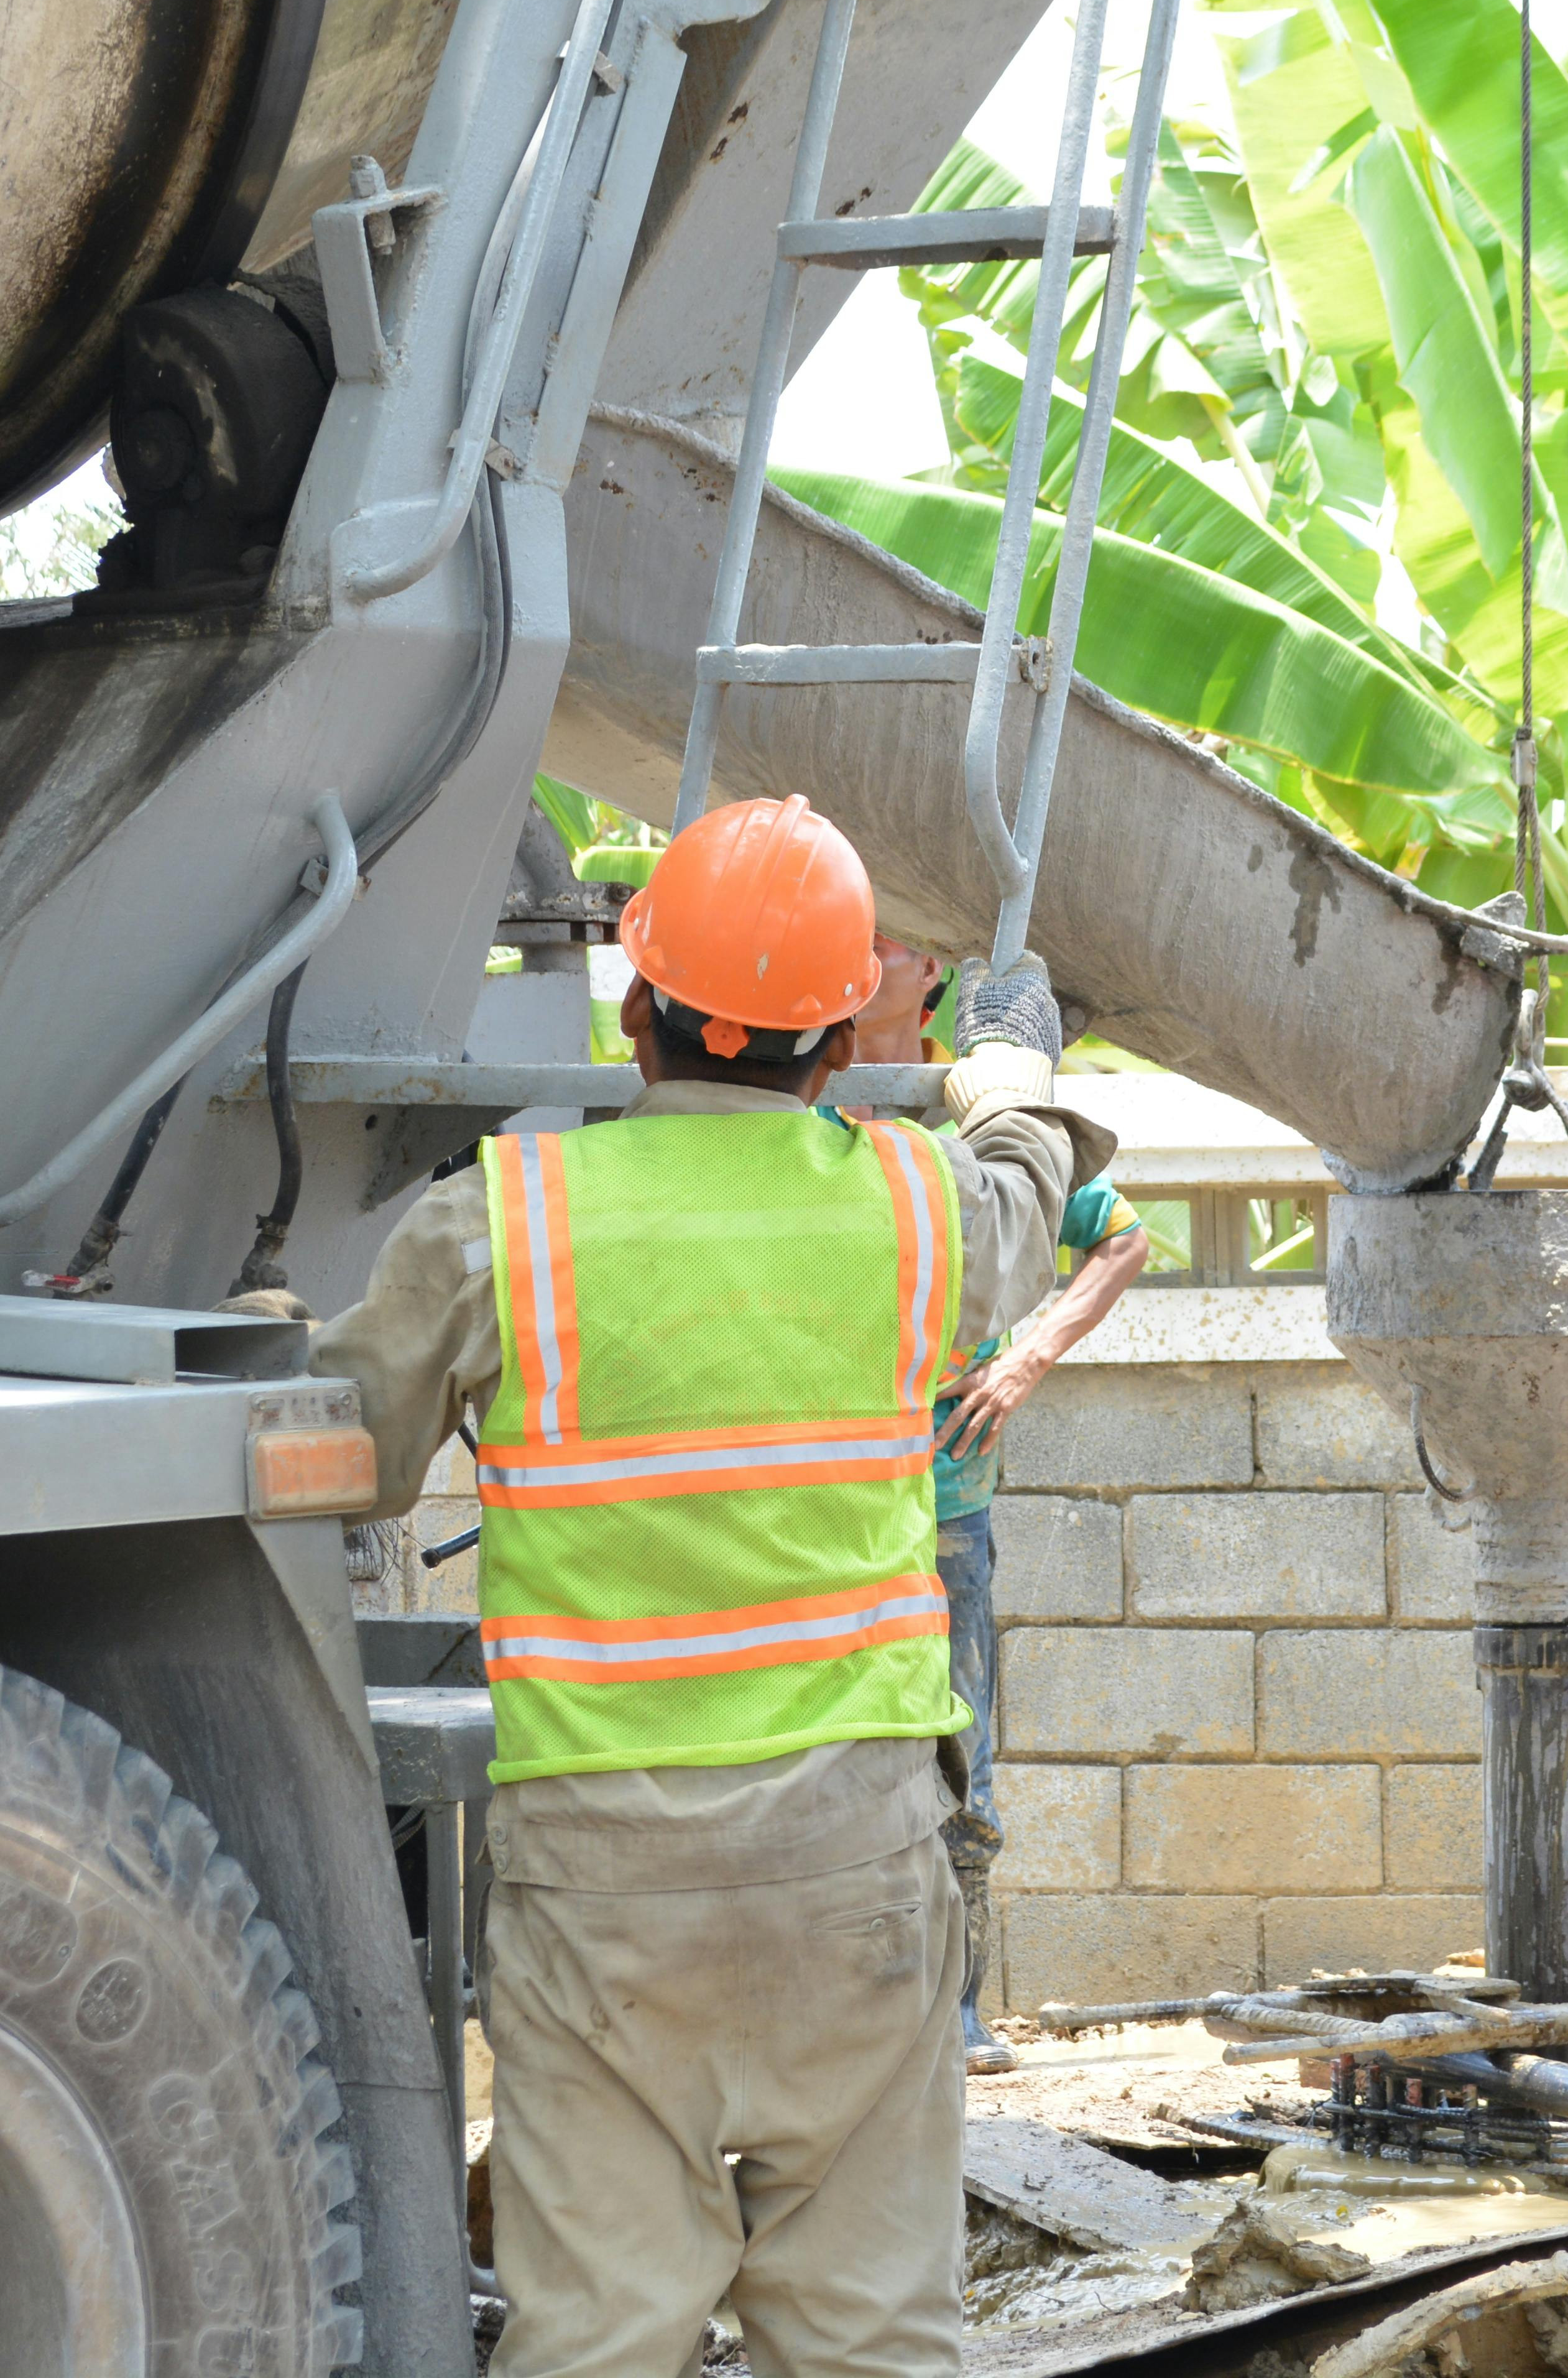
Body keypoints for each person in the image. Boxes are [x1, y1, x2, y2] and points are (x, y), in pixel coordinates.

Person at [309, 795, 1112, 2376]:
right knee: (876, 2339)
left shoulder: (505, 1224)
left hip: (603, 1879)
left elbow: (348, 1456)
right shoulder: (915, 1203)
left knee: (600, 2337)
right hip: (856, 1860)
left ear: (636, 1005)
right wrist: (1012, 1075)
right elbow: (1029, 1198)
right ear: (842, 1043)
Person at [841, 933, 1155, 2070]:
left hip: (947, 1506)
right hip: (825, 1504)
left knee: (960, 1760)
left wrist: (1027, 1355)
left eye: (891, 938)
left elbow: (1119, 1236)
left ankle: (959, 2013)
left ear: (933, 971)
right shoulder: (806, 1105)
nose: (868, 952)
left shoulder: (977, 1118)